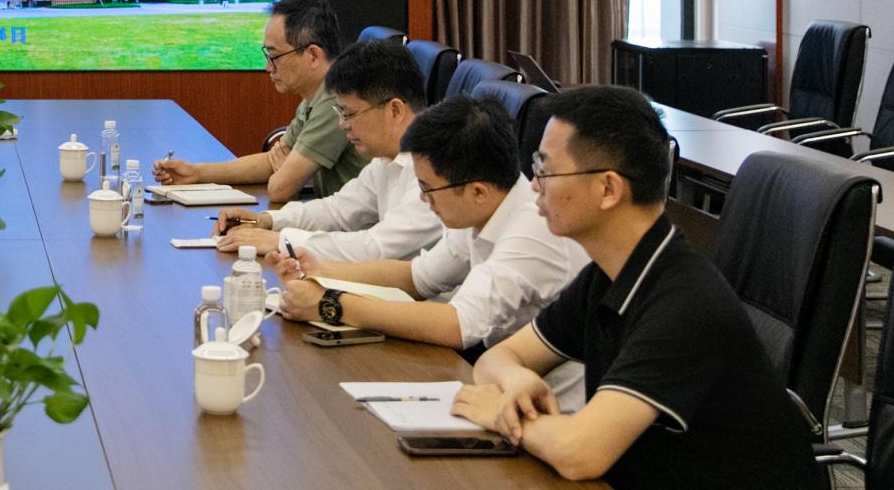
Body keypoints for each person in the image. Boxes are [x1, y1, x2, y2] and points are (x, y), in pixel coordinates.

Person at [451, 86, 827, 489]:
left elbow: (580, 453)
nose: (535, 186)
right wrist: (515, 380)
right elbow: (499, 357)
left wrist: (502, 416)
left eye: (546, 170)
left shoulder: (685, 305)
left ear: (608, 189)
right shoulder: (607, 274)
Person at [269, 96, 588, 407]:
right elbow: (415, 277)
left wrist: (330, 304)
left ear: (477, 191)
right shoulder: (483, 204)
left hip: (551, 410)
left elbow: (457, 325)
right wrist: (321, 272)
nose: (424, 199)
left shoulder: (533, 228)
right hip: (497, 386)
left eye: (427, 188)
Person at [213, 37, 440, 261]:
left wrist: (281, 241)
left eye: (348, 114)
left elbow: (376, 247)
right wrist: (265, 220)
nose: (342, 125)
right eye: (339, 113)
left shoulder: (436, 169)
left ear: (395, 110)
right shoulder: (386, 159)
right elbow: (337, 211)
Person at [154, 0, 368, 206]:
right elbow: (270, 161)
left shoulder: (335, 98)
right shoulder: (317, 93)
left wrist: (284, 173)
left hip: (356, 225)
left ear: (313, 55)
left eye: (275, 56)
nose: (268, 67)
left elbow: (280, 189)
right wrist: (196, 173)